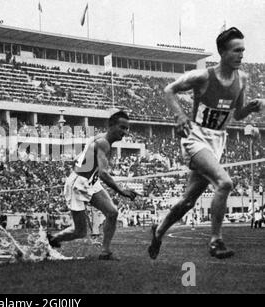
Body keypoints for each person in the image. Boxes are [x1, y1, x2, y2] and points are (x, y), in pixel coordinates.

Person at [148, 27, 264, 260]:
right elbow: (169, 89)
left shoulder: (242, 78)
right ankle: (215, 240)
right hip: (196, 137)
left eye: (243, 50)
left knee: (189, 200)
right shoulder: (202, 76)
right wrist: (179, 116)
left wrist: (250, 108)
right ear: (222, 52)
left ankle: (158, 232)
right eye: (236, 50)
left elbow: (237, 114)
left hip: (218, 141)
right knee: (225, 183)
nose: (241, 55)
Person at [48, 111, 139, 260]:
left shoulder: (99, 138)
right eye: (122, 127)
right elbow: (103, 173)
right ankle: (52, 240)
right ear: (111, 126)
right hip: (78, 185)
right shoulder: (103, 143)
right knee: (80, 232)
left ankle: (105, 252)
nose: (125, 132)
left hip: (90, 181)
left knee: (112, 213)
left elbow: (85, 159)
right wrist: (121, 190)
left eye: (127, 128)